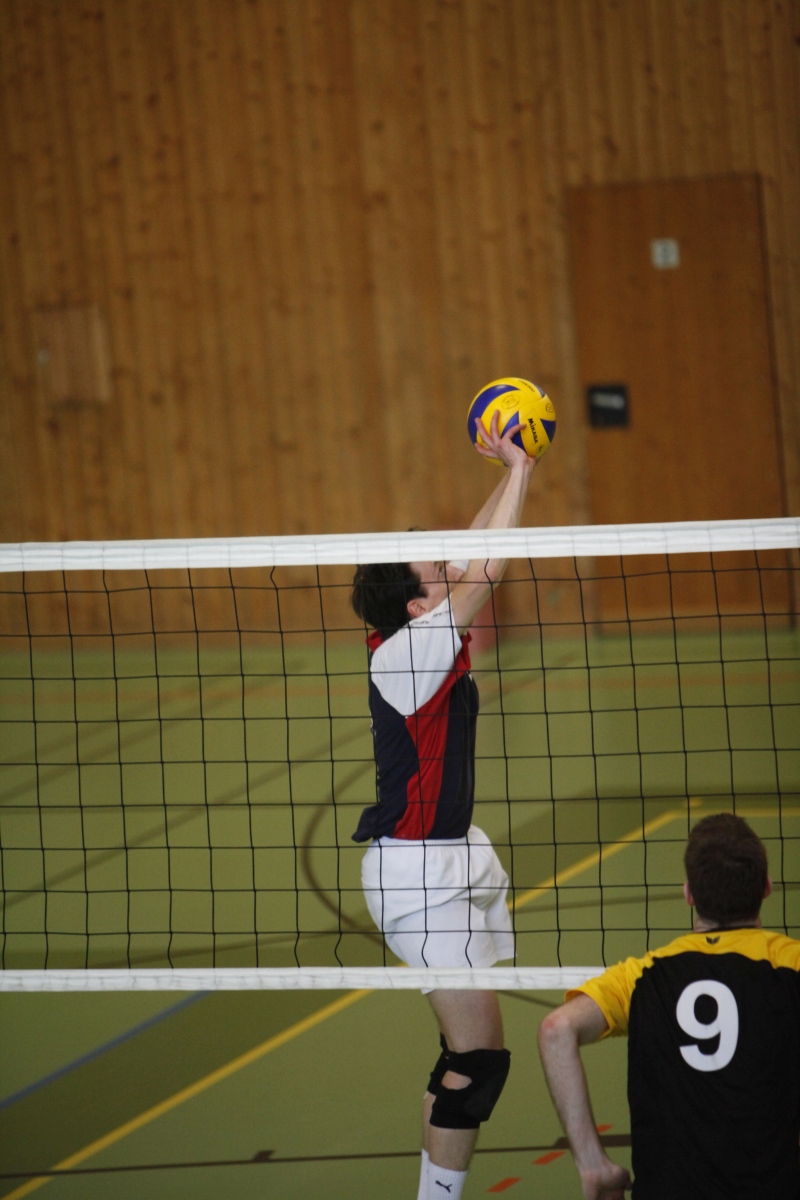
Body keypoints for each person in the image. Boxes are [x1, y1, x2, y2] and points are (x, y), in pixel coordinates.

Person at [350, 410, 538, 1200]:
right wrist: (523, 473)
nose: (449, 568)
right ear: (416, 605)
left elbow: (468, 560)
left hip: (450, 857)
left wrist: (509, 472)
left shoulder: (417, 628)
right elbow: (485, 574)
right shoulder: (409, 654)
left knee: (465, 1057)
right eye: (436, 571)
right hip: (416, 878)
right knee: (478, 1061)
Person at [537, 812, 800, 1200]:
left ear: (689, 894)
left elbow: (556, 1031)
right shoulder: (791, 965)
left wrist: (594, 1166)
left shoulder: (645, 976)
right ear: (766, 887)